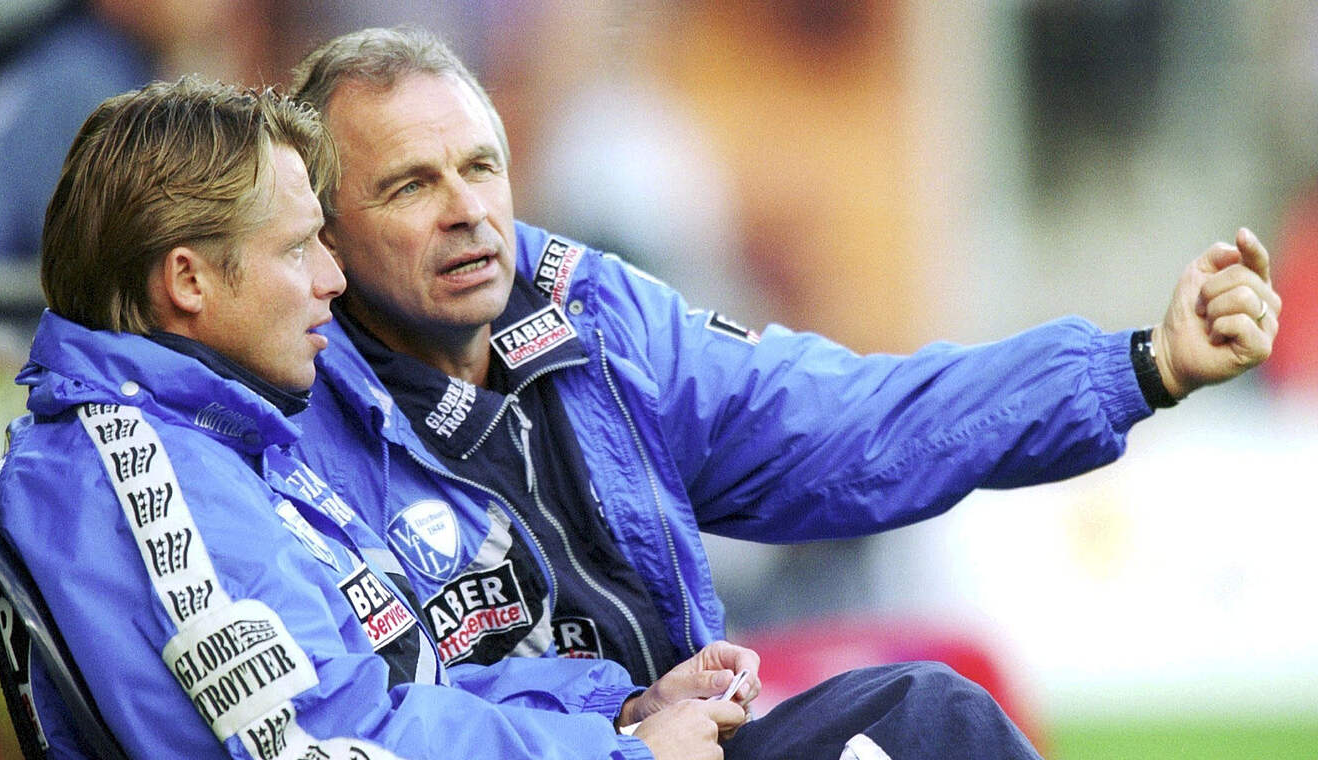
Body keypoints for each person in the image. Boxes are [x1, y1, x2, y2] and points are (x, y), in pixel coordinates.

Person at [284, 26, 1282, 759]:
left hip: (678, 742)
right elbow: (357, 718)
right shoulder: (279, 420)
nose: (467, 210)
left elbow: (851, 422)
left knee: (932, 718)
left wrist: (1141, 364)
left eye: (481, 167)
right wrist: (612, 718)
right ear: (324, 232)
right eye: (411, 185)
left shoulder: (595, 318)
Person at [0, 75, 771, 760]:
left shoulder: (212, 447)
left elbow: (404, 690)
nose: (333, 278)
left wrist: (619, 709)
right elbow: (326, 745)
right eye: (298, 249)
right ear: (189, 281)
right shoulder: (148, 476)